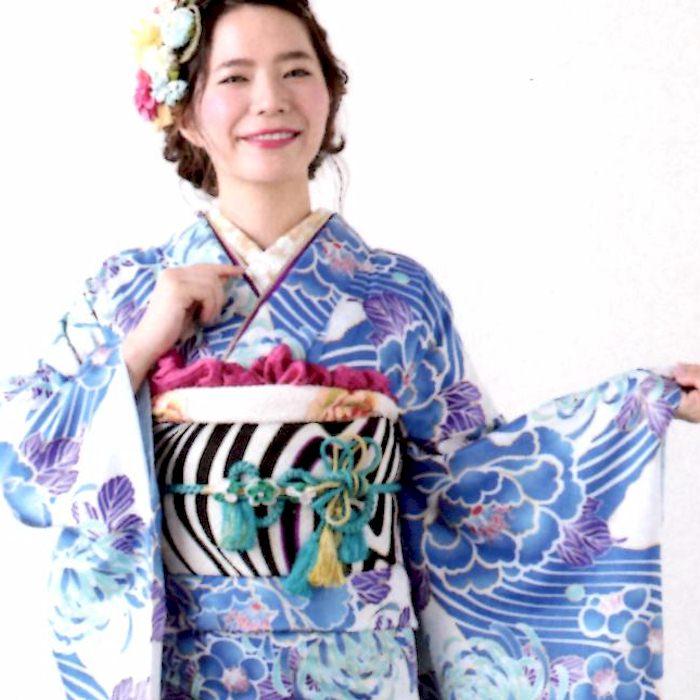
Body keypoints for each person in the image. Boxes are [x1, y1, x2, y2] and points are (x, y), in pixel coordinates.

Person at [1, 1, 698, 697]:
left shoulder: (397, 296)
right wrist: (139, 349)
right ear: (183, 113)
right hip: (193, 666)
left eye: (295, 71)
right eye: (235, 78)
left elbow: (469, 490)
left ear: (329, 94)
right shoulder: (127, 293)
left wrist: (638, 407)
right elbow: (24, 471)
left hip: (358, 670)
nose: (270, 100)